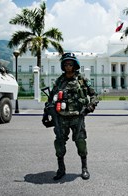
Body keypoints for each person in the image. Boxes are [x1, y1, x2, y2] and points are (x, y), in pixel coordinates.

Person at [42, 52, 98, 181]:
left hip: (77, 117)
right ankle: (61, 169)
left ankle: (84, 168)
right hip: (61, 118)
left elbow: (95, 96)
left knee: (81, 142)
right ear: (63, 65)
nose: (68, 66)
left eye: (70, 64)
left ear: (75, 65)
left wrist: (90, 106)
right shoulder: (59, 81)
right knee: (59, 143)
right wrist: (47, 113)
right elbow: (51, 99)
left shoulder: (82, 79)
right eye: (66, 64)